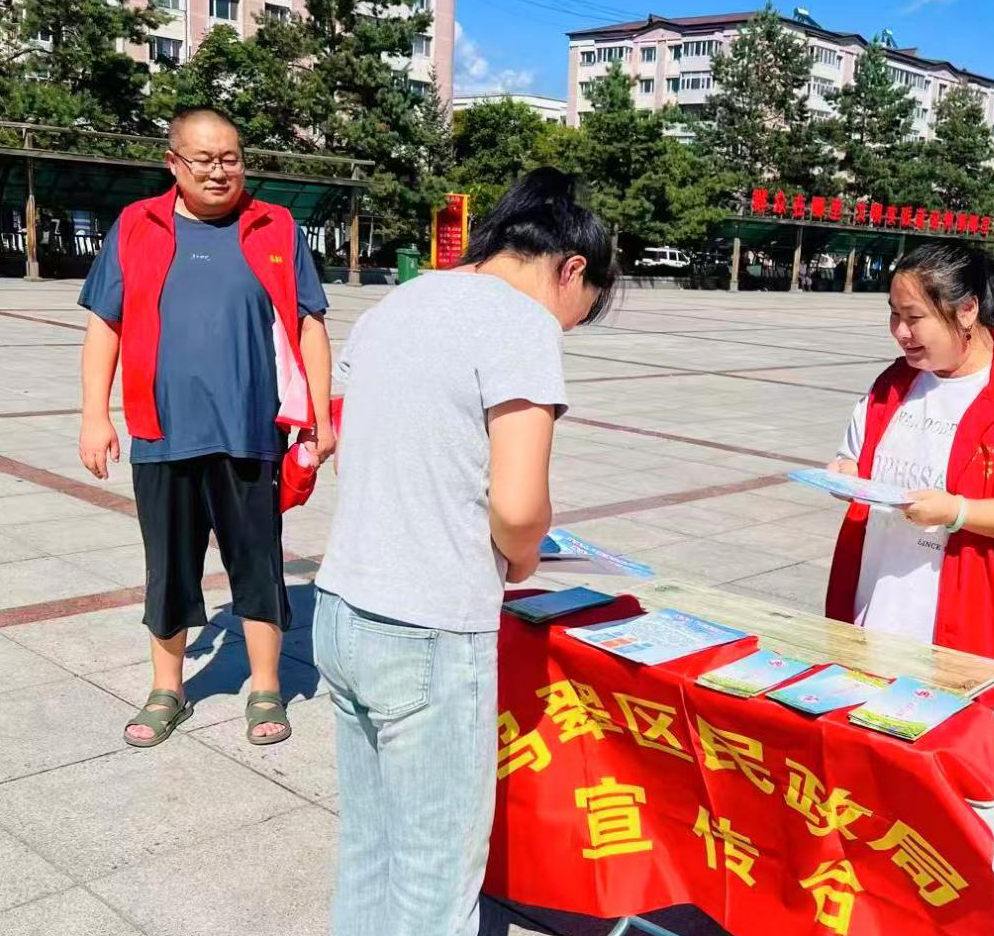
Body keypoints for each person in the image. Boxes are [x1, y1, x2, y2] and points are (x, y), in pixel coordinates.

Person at [313, 168, 617, 936]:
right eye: (581, 312)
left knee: (370, 854)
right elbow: (517, 507)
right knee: (435, 883)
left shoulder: (399, 302)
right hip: (430, 629)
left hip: (342, 606)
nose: (567, 328)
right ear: (571, 269)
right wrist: (524, 555)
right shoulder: (521, 323)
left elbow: (356, 446)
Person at [823, 242, 994, 902]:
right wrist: (845, 474)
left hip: (974, 638)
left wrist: (958, 511)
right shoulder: (893, 386)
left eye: (914, 317)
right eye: (893, 315)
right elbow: (856, 457)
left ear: (966, 311)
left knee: (975, 802)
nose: (901, 333)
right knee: (879, 790)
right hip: (880, 621)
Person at [78, 107, 334, 748]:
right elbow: (105, 323)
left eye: (231, 159)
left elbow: (309, 323)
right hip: (161, 431)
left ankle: (267, 687)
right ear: (174, 163)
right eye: (205, 160)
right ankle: (167, 689)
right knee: (167, 567)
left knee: (259, 561)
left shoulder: (275, 225)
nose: (220, 171)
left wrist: (318, 416)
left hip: (252, 430)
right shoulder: (137, 225)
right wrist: (94, 415)